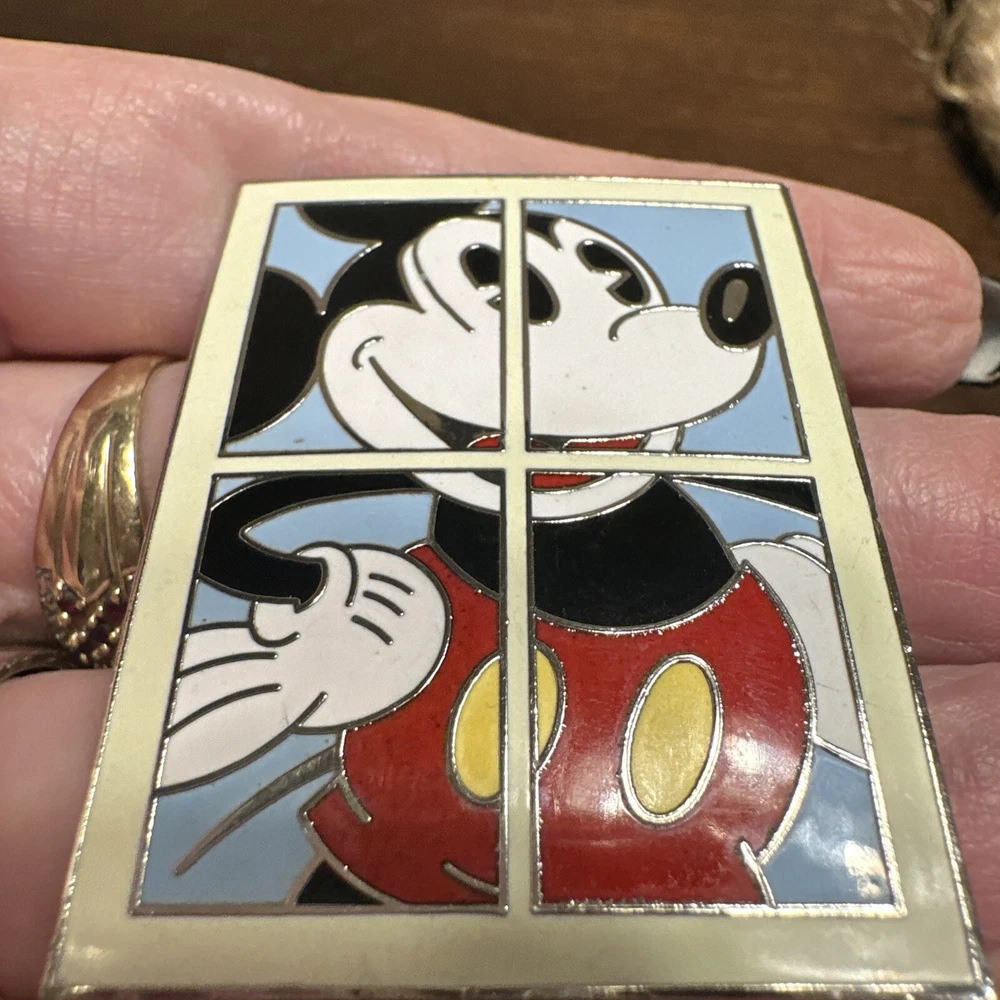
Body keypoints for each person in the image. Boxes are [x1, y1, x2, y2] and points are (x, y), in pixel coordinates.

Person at [0, 35, 996, 998]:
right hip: (372, 910)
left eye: (618, 288)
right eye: (524, 305)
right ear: (370, 367)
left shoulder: (781, 587)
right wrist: (300, 669)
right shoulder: (392, 609)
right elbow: (177, 757)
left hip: (720, 927)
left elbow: (869, 772)